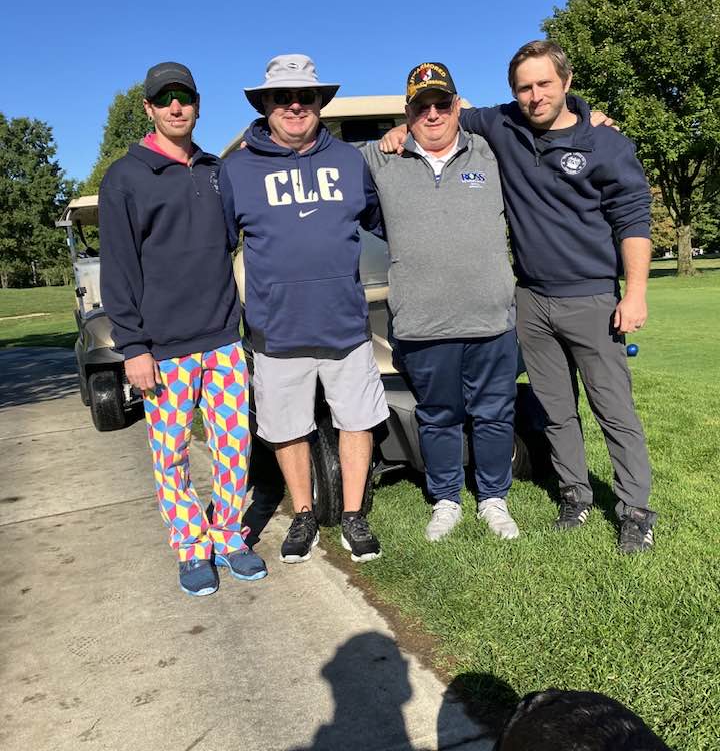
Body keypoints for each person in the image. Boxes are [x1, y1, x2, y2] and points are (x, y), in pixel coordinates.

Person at [382, 40, 655, 553]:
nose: (535, 96)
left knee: (613, 409)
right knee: (555, 410)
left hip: (594, 297)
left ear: (566, 83)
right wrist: (396, 131)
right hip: (529, 300)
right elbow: (432, 117)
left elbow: (633, 218)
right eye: (525, 87)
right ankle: (574, 496)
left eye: (544, 84)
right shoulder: (501, 126)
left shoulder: (605, 142)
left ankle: (635, 509)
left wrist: (634, 293)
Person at [99, 61, 266, 597]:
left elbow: (235, 238)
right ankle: (192, 549)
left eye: (185, 98)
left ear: (197, 105)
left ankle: (230, 539)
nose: (176, 107)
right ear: (148, 108)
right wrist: (133, 346)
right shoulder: (125, 178)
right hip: (162, 351)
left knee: (233, 448)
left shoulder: (217, 171)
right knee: (170, 454)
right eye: (164, 99)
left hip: (221, 339)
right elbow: (118, 269)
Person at [219, 54, 389, 565]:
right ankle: (303, 514)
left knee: (356, 421)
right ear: (265, 104)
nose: (295, 106)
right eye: (282, 98)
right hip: (277, 329)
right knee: (288, 428)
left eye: (306, 97)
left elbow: (383, 222)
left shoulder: (350, 161)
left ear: (320, 103)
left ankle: (354, 515)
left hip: (345, 325)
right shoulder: (236, 169)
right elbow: (220, 246)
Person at [362, 62, 520, 542]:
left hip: (491, 317)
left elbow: (542, 115)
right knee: (439, 416)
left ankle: (493, 498)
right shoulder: (378, 158)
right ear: (407, 113)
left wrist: (587, 113)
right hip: (422, 322)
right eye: (420, 106)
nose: (432, 114)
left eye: (441, 103)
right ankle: (447, 499)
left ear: (457, 105)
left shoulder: (492, 152)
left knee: (495, 413)